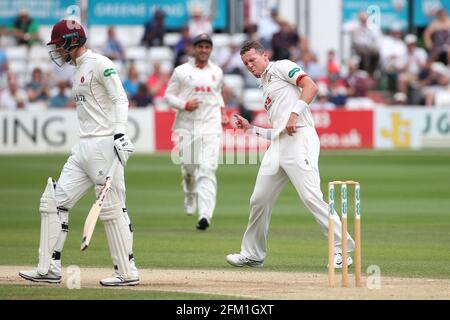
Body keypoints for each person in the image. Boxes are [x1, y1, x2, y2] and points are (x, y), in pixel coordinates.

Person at [18, 19, 139, 286]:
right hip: (83, 146)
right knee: (53, 201)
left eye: (60, 44)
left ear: (73, 41)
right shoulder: (77, 69)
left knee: (111, 207)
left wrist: (119, 132)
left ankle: (126, 272)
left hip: (104, 145)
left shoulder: (100, 63)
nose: (57, 50)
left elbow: (121, 98)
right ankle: (49, 267)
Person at [226, 40, 354, 268]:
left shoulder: (281, 67)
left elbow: (311, 87)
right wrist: (250, 129)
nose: (250, 66)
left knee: (311, 197)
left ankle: (343, 250)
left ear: (265, 56)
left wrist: (295, 114)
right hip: (279, 145)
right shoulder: (264, 85)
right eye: (246, 64)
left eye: (252, 60)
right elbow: (279, 131)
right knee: (259, 199)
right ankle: (253, 254)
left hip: (301, 139)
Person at [164, 33, 229, 230]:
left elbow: (218, 95)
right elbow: (168, 95)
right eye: (200, 46)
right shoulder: (181, 71)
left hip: (211, 125)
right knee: (190, 169)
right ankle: (190, 194)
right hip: (187, 126)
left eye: (207, 47)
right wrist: (184, 104)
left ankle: (205, 215)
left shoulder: (217, 71)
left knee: (207, 168)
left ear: (211, 49)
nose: (203, 50)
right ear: (193, 49)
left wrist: (224, 113)